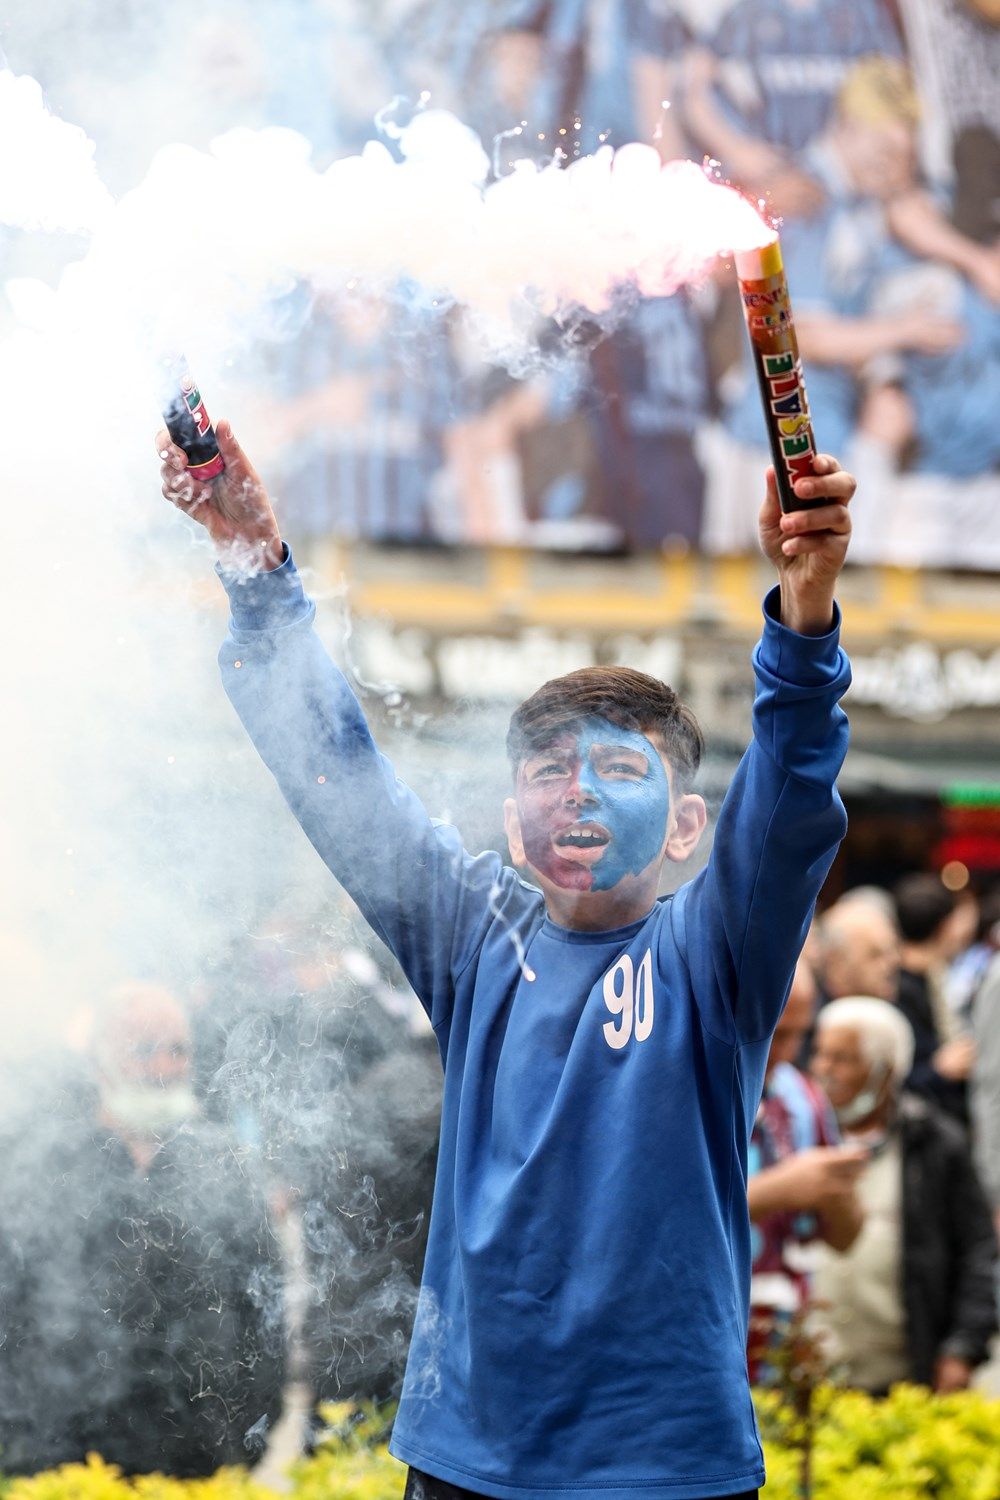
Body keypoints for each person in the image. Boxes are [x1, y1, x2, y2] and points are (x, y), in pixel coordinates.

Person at [157, 415, 854, 1500]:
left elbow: (793, 793)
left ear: (687, 828)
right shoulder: (476, 939)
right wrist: (253, 561)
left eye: (619, 769)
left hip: (665, 1465)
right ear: (513, 825)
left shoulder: (711, 956)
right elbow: (336, 772)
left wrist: (805, 607)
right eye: (546, 771)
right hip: (465, 1456)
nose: (576, 793)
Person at [0, 983, 285, 1476]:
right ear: (99, 1061)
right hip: (66, 1459)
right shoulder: (46, 1166)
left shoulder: (225, 1163)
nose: (164, 1067)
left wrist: (250, 1428)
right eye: (143, 1049)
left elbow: (264, 1303)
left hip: (198, 1456)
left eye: (178, 1049)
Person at [811, 996, 997, 1392]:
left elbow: (978, 1249)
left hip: (902, 1374)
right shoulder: (796, 1134)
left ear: (885, 1070)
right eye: (821, 1054)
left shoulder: (934, 1142)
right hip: (812, 1372)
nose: (824, 1069)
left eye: (842, 1059)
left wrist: (963, 1347)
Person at [745, 959, 865, 1382]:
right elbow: (662, 1223)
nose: (788, 1052)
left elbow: (845, 1238)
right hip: (706, 1340)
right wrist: (781, 1189)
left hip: (785, 1345)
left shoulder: (803, 1096)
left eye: (801, 1035)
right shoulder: (687, 1087)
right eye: (777, 1034)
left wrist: (836, 1192)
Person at [893, 872, 975, 1125]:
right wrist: (939, 1070)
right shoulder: (901, 989)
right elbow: (899, 1077)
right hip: (923, 1125)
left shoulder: (933, 976)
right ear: (944, 927)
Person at [812, 891, 900, 1005]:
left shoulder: (907, 1002)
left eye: (892, 951)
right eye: (875, 954)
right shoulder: (809, 1011)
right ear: (837, 966)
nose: (893, 962)